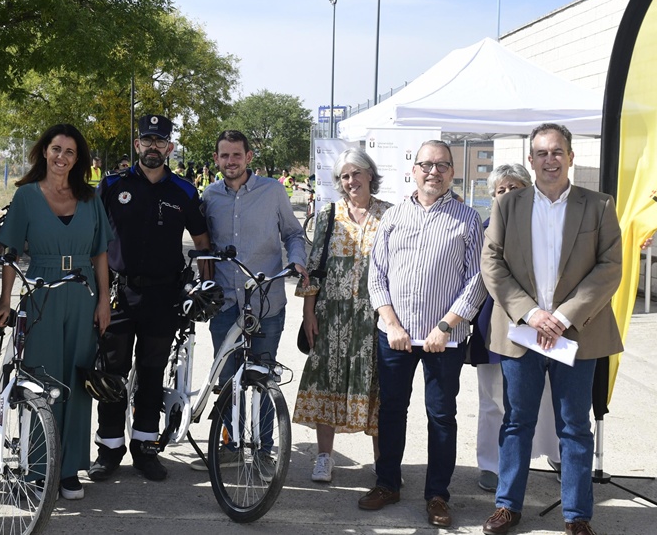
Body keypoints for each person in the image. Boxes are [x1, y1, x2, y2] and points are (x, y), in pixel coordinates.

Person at [480, 123, 623, 535]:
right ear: (531, 160)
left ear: (571, 157)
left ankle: (577, 516)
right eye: (541, 153)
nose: (550, 160)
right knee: (517, 422)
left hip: (577, 333)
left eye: (557, 152)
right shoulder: (508, 206)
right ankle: (508, 506)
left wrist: (562, 316)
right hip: (523, 333)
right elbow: (493, 263)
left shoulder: (598, 206)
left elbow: (609, 267)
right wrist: (529, 312)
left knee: (574, 426)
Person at [360, 139, 486, 529]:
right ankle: (388, 483)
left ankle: (437, 495)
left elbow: (477, 280)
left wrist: (446, 325)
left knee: (441, 416)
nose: (434, 171)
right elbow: (376, 274)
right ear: (413, 171)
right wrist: (392, 323)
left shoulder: (468, 220)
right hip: (395, 337)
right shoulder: (393, 217)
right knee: (392, 411)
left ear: (452, 172)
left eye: (443, 165)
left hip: (443, 339)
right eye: (427, 164)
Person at [88, 114, 212, 483]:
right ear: (137, 144)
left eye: (160, 141)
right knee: (111, 374)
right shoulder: (111, 186)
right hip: (118, 294)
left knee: (151, 372)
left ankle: (145, 447)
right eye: (147, 140)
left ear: (170, 147)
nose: (153, 146)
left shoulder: (185, 191)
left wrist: (205, 287)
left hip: (164, 294)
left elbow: (203, 243)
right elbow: (93, 240)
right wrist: (95, 294)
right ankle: (109, 449)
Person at [0, 123, 112, 501]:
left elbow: (101, 253)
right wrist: (5, 300)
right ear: (44, 151)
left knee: (77, 382)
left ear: (79, 160)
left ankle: (70, 469)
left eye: (70, 152)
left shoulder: (90, 198)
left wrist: (105, 300)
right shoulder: (26, 196)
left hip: (82, 292)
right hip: (41, 288)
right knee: (40, 380)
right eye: (56, 149)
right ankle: (39, 466)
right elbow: (10, 253)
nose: (62, 157)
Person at [198, 129, 307, 469]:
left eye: (236, 155)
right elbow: (204, 247)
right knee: (228, 379)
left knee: (260, 378)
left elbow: (293, 233)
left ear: (248, 157)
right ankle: (230, 445)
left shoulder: (272, 191)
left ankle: (262, 450)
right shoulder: (209, 196)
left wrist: (297, 259)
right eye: (224, 155)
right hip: (225, 302)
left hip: (266, 301)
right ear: (216, 159)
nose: (230, 161)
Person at [293, 148, 390, 483]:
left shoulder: (390, 216)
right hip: (331, 314)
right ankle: (324, 457)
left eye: (357, 173)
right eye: (345, 176)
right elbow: (314, 269)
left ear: (370, 175)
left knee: (378, 386)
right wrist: (309, 312)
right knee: (327, 381)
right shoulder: (328, 216)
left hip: (374, 316)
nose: (351, 181)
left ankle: (383, 463)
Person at [469, 164, 560, 494]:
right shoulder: (482, 229)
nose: (507, 194)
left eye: (515, 187)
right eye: (500, 190)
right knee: (492, 399)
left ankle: (556, 453)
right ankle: (491, 464)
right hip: (494, 324)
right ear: (493, 196)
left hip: (540, 321)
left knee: (548, 393)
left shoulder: (547, 225)